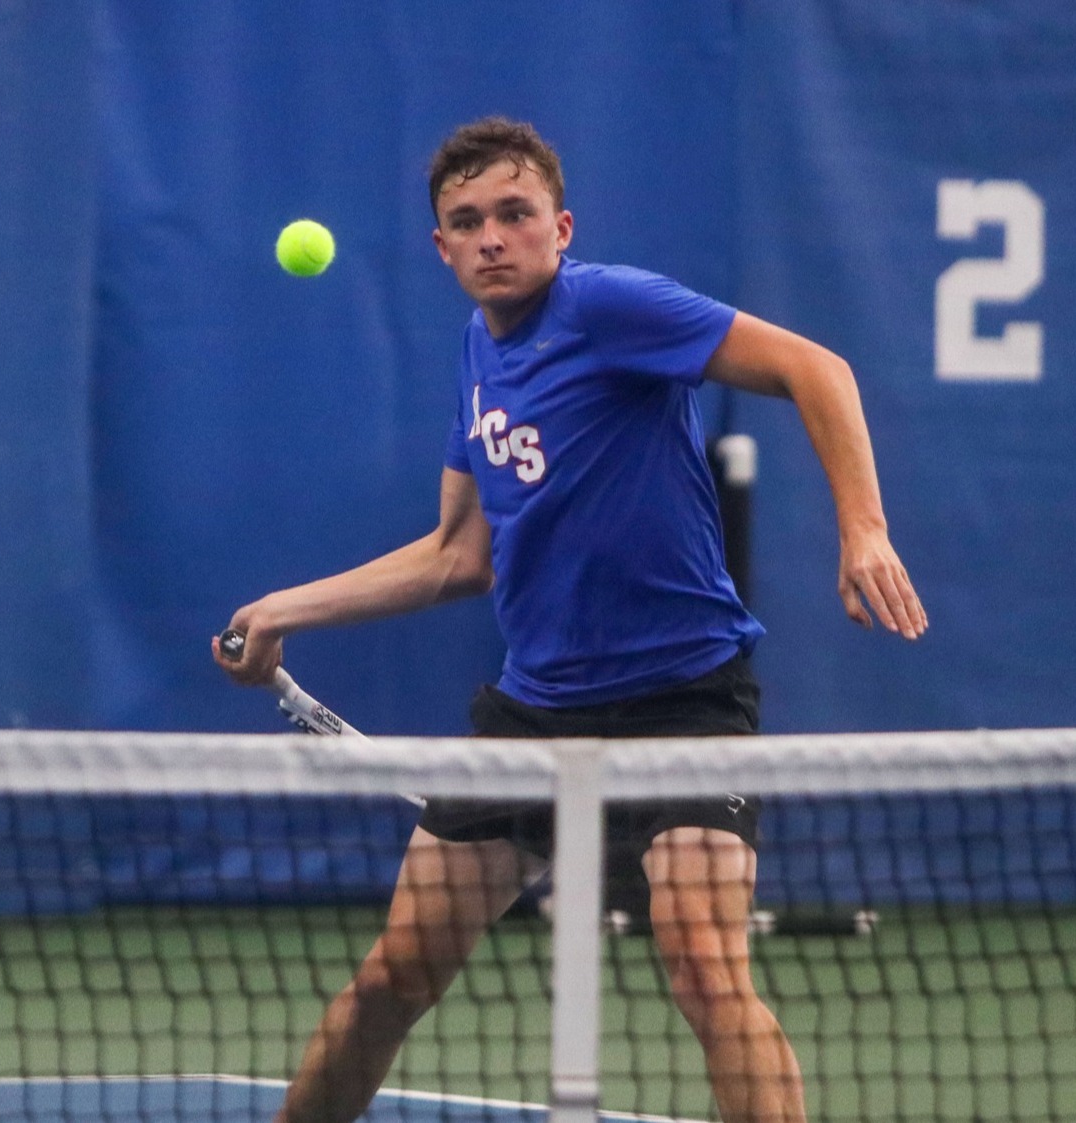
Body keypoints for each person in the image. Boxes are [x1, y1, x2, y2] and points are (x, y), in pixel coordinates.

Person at [214, 116, 927, 1123]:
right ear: (441, 246)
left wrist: (863, 530)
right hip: (534, 716)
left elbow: (819, 370)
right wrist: (283, 609)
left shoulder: (608, 307)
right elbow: (458, 553)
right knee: (390, 979)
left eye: (515, 214)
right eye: (468, 221)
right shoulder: (478, 349)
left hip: (684, 704)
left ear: (560, 226)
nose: (493, 237)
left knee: (705, 970)